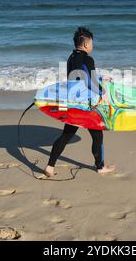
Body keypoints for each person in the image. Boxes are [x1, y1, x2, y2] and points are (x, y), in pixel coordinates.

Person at [43, 27, 116, 177]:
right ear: (86, 44)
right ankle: (100, 167)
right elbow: (89, 82)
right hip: (86, 106)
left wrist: (101, 77)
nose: (92, 46)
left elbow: (80, 76)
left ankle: (50, 166)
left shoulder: (71, 57)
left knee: (66, 135)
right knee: (97, 136)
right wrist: (103, 92)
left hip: (72, 103)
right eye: (92, 43)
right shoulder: (88, 59)